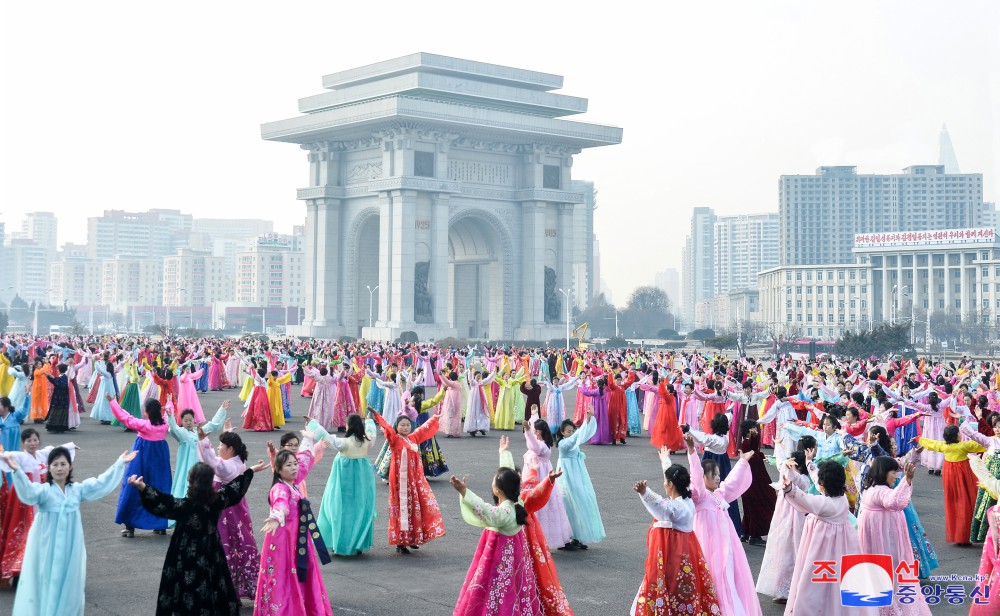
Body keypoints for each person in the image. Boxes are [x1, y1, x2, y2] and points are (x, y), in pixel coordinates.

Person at [2, 447, 135, 616]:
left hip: (70, 547)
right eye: (55, 464)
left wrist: (119, 463)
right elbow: (28, 492)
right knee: (47, 580)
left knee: (70, 582)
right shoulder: (44, 491)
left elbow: (100, 483)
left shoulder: (76, 490)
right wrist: (17, 471)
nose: (59, 468)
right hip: (47, 545)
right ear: (48, 467)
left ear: (70, 467)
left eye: (63, 464)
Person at [129, 459, 268, 616]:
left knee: (183, 588)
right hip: (211, 550)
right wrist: (250, 471)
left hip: (184, 552)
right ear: (209, 483)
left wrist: (142, 487)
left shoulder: (183, 506)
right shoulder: (216, 501)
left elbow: (162, 502)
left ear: (191, 482)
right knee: (213, 585)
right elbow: (233, 490)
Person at [782, 460, 876, 615]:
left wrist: (790, 488)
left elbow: (805, 499)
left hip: (822, 550)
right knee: (837, 582)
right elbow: (814, 487)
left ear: (823, 483)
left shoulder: (824, 504)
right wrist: (811, 465)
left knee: (816, 585)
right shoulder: (841, 499)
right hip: (841, 548)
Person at [685, 433, 762, 616]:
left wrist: (743, 463)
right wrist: (691, 451)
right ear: (704, 477)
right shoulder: (700, 496)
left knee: (728, 577)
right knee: (710, 577)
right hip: (708, 546)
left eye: (719, 474)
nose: (718, 478)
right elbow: (695, 475)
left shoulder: (719, 495)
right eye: (714, 475)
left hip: (726, 547)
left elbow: (733, 483)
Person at [450, 466, 541, 615]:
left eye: (493, 482)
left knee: (499, 592)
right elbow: (510, 476)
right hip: (514, 561)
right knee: (513, 589)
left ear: (498, 490)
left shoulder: (503, 513)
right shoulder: (517, 503)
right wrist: (504, 452)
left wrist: (464, 492)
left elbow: (485, 511)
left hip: (499, 561)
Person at [631, 465, 720, 615]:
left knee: (673, 587)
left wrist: (645, 493)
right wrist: (665, 461)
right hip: (685, 552)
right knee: (684, 587)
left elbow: (663, 508)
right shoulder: (686, 501)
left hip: (674, 556)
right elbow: (664, 503)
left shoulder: (678, 509)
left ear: (671, 484)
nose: (664, 484)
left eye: (666, 481)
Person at [498, 435, 573, 614]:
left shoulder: (522, 500)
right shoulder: (507, 503)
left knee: (526, 575)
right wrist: (504, 452)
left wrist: (548, 481)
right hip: (513, 546)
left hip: (524, 545)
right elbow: (517, 477)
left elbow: (534, 490)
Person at [255, 447, 332, 616]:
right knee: (283, 576)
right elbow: (280, 504)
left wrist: (310, 437)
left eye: (294, 464)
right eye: (288, 465)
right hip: (284, 540)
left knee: (299, 572)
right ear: (279, 469)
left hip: (298, 537)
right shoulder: (280, 488)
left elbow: (305, 461)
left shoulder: (293, 484)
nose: (294, 468)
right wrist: (276, 517)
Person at [857, 457, 933, 615]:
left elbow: (900, 501)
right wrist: (907, 480)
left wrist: (906, 481)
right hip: (885, 541)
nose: (896, 476)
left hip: (882, 539)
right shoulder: (879, 492)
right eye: (894, 472)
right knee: (893, 571)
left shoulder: (871, 489)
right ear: (883, 473)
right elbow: (895, 502)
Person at [370, 406, 446, 554]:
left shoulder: (414, 438)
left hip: (413, 482)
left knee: (414, 508)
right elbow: (387, 428)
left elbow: (424, 429)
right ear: (396, 427)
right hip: (399, 483)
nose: (405, 427)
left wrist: (435, 418)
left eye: (408, 425)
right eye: (402, 425)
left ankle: (412, 538)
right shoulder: (394, 439)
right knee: (400, 509)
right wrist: (377, 416)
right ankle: (401, 541)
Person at [198, 429, 261, 600]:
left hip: (225, 511)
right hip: (238, 509)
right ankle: (238, 588)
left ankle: (227, 589)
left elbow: (212, 461)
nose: (218, 449)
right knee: (240, 542)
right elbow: (214, 459)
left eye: (221, 446)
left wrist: (204, 441)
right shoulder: (238, 462)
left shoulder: (227, 467)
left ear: (231, 449)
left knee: (224, 544)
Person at [309, 414, 378, 556]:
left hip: (343, 482)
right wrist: (370, 418)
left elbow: (326, 437)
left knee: (339, 510)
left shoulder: (343, 442)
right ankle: (358, 543)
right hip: (362, 482)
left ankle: (339, 543)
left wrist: (312, 423)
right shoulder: (368, 441)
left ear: (348, 426)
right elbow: (372, 432)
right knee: (361, 509)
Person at [108, 394, 171, 538]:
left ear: (147, 412)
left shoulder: (144, 425)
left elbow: (126, 418)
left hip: (141, 459)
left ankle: (130, 526)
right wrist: (168, 404)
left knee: (133, 487)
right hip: (160, 461)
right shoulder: (164, 426)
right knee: (160, 488)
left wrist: (112, 402)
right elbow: (168, 415)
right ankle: (160, 525)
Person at [755, 451, 812, 604]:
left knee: (793, 552)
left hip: (796, 520)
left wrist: (789, 468)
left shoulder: (804, 479)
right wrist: (786, 465)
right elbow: (784, 469)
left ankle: (794, 590)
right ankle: (782, 590)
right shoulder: (787, 475)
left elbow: (796, 479)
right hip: (781, 519)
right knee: (781, 552)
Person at [918, 425, 987, 545]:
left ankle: (958, 535)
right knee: (966, 503)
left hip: (949, 475)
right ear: (955, 436)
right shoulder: (964, 446)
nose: (961, 435)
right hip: (963, 475)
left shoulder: (944, 446)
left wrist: (918, 439)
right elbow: (984, 444)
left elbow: (932, 443)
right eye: (959, 433)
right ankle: (966, 534)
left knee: (954, 504)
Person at [523, 416, 574, 551]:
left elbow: (532, 444)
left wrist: (528, 431)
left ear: (538, 432)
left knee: (540, 508)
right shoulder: (543, 444)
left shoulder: (542, 446)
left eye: (535, 430)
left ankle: (539, 539)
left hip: (539, 479)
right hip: (537, 478)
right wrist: (533, 415)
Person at [555, 411, 605, 548]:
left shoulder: (573, 442)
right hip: (566, 477)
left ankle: (577, 536)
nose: (571, 433)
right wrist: (584, 423)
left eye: (572, 431)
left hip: (577, 475)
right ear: (562, 432)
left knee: (580, 502)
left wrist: (588, 420)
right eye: (568, 431)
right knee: (567, 503)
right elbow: (576, 438)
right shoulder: (563, 445)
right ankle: (566, 538)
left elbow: (583, 435)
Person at [165, 401, 229, 499]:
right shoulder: (182, 433)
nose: (188, 422)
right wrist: (170, 417)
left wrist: (222, 409)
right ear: (181, 421)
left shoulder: (198, 431)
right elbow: (173, 429)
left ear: (194, 420)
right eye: (185, 420)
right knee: (186, 484)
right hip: (187, 466)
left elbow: (212, 425)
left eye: (190, 420)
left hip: (200, 464)